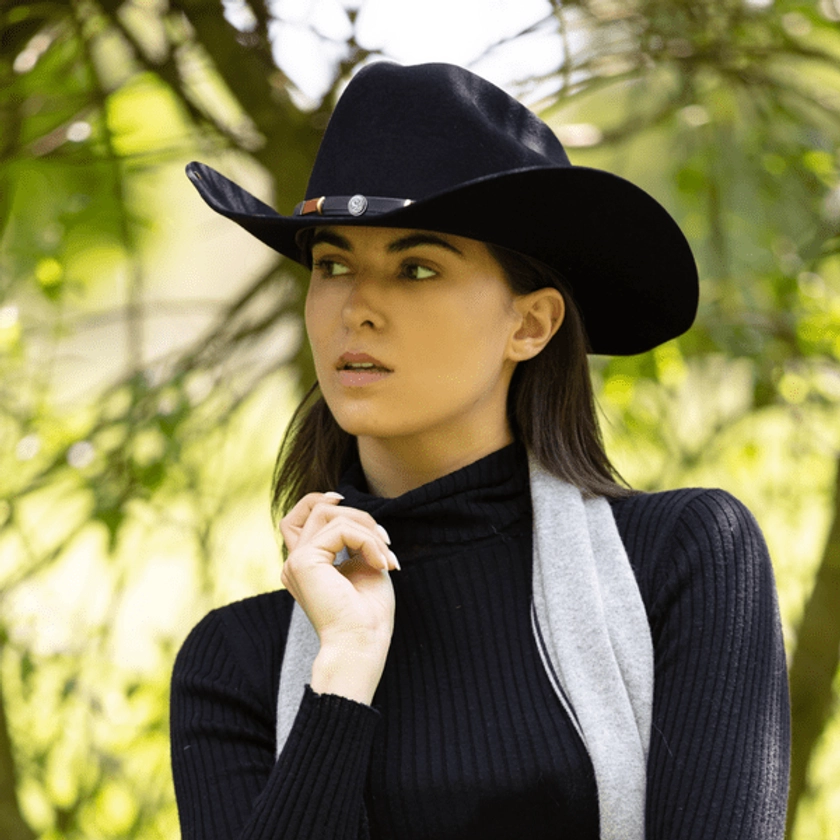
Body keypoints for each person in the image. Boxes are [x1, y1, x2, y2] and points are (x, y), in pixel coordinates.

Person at [170, 62, 790, 840]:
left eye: (416, 267)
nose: (356, 308)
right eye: (332, 264)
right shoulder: (235, 663)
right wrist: (343, 679)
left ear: (530, 325)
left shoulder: (684, 562)